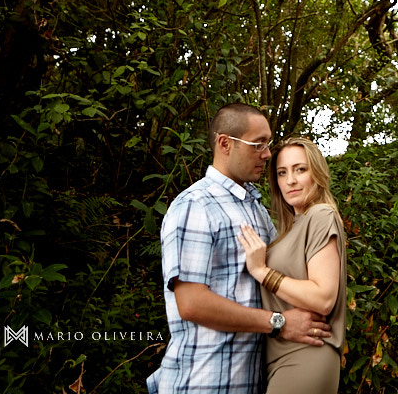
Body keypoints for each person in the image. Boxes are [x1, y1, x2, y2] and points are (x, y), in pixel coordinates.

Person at [147, 103, 331, 394]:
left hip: (250, 383)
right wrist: (279, 322)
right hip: (203, 383)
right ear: (225, 144)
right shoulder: (196, 205)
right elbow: (192, 303)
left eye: (268, 144)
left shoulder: (255, 209)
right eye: (258, 144)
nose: (267, 154)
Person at [237, 136, 347, 394]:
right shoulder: (289, 228)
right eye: (282, 173)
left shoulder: (321, 215)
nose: (291, 181)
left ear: (316, 173)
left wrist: (262, 271)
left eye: (300, 169)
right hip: (281, 357)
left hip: (307, 354)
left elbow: (323, 298)